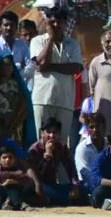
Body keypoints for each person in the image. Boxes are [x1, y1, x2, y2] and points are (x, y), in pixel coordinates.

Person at [29, 7, 84, 140]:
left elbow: (76, 68)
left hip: (65, 100)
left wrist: (50, 67)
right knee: (41, 140)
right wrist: (51, 39)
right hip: (42, 98)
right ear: (47, 22)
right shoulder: (37, 41)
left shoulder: (73, 44)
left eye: (59, 22)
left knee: (61, 141)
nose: (56, 25)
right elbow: (41, 62)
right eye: (52, 22)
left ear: (65, 23)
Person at [0, 54, 36, 149]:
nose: (7, 67)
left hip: (16, 125)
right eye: (4, 65)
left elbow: (25, 105)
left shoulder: (18, 85)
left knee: (14, 152)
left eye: (9, 65)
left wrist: (12, 127)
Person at [27, 116, 81, 205]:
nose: (51, 136)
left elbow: (71, 169)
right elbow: (36, 175)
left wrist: (75, 186)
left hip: (53, 185)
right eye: (48, 132)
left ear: (59, 134)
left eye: (54, 132)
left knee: (81, 190)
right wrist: (47, 156)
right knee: (55, 195)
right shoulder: (34, 149)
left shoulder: (62, 147)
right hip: (38, 186)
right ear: (42, 133)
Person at [0, 145, 38, 210]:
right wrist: (16, 175)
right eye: (4, 157)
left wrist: (15, 181)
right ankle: (21, 204)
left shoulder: (17, 169)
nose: (7, 160)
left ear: (14, 159)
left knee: (18, 184)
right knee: (8, 184)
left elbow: (29, 180)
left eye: (10, 157)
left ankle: (10, 203)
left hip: (13, 199)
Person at [0, 11, 31, 77]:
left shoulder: (22, 44)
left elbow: (30, 67)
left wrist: (7, 68)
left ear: (16, 28)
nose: (9, 28)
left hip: (21, 86)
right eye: (6, 25)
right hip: (1, 86)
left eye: (12, 25)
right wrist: (20, 65)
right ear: (0, 27)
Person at [75, 113, 107, 190]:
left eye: (97, 126)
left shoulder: (110, 145)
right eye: (91, 127)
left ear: (104, 127)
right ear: (87, 129)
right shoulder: (82, 148)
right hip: (89, 185)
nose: (95, 130)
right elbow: (86, 175)